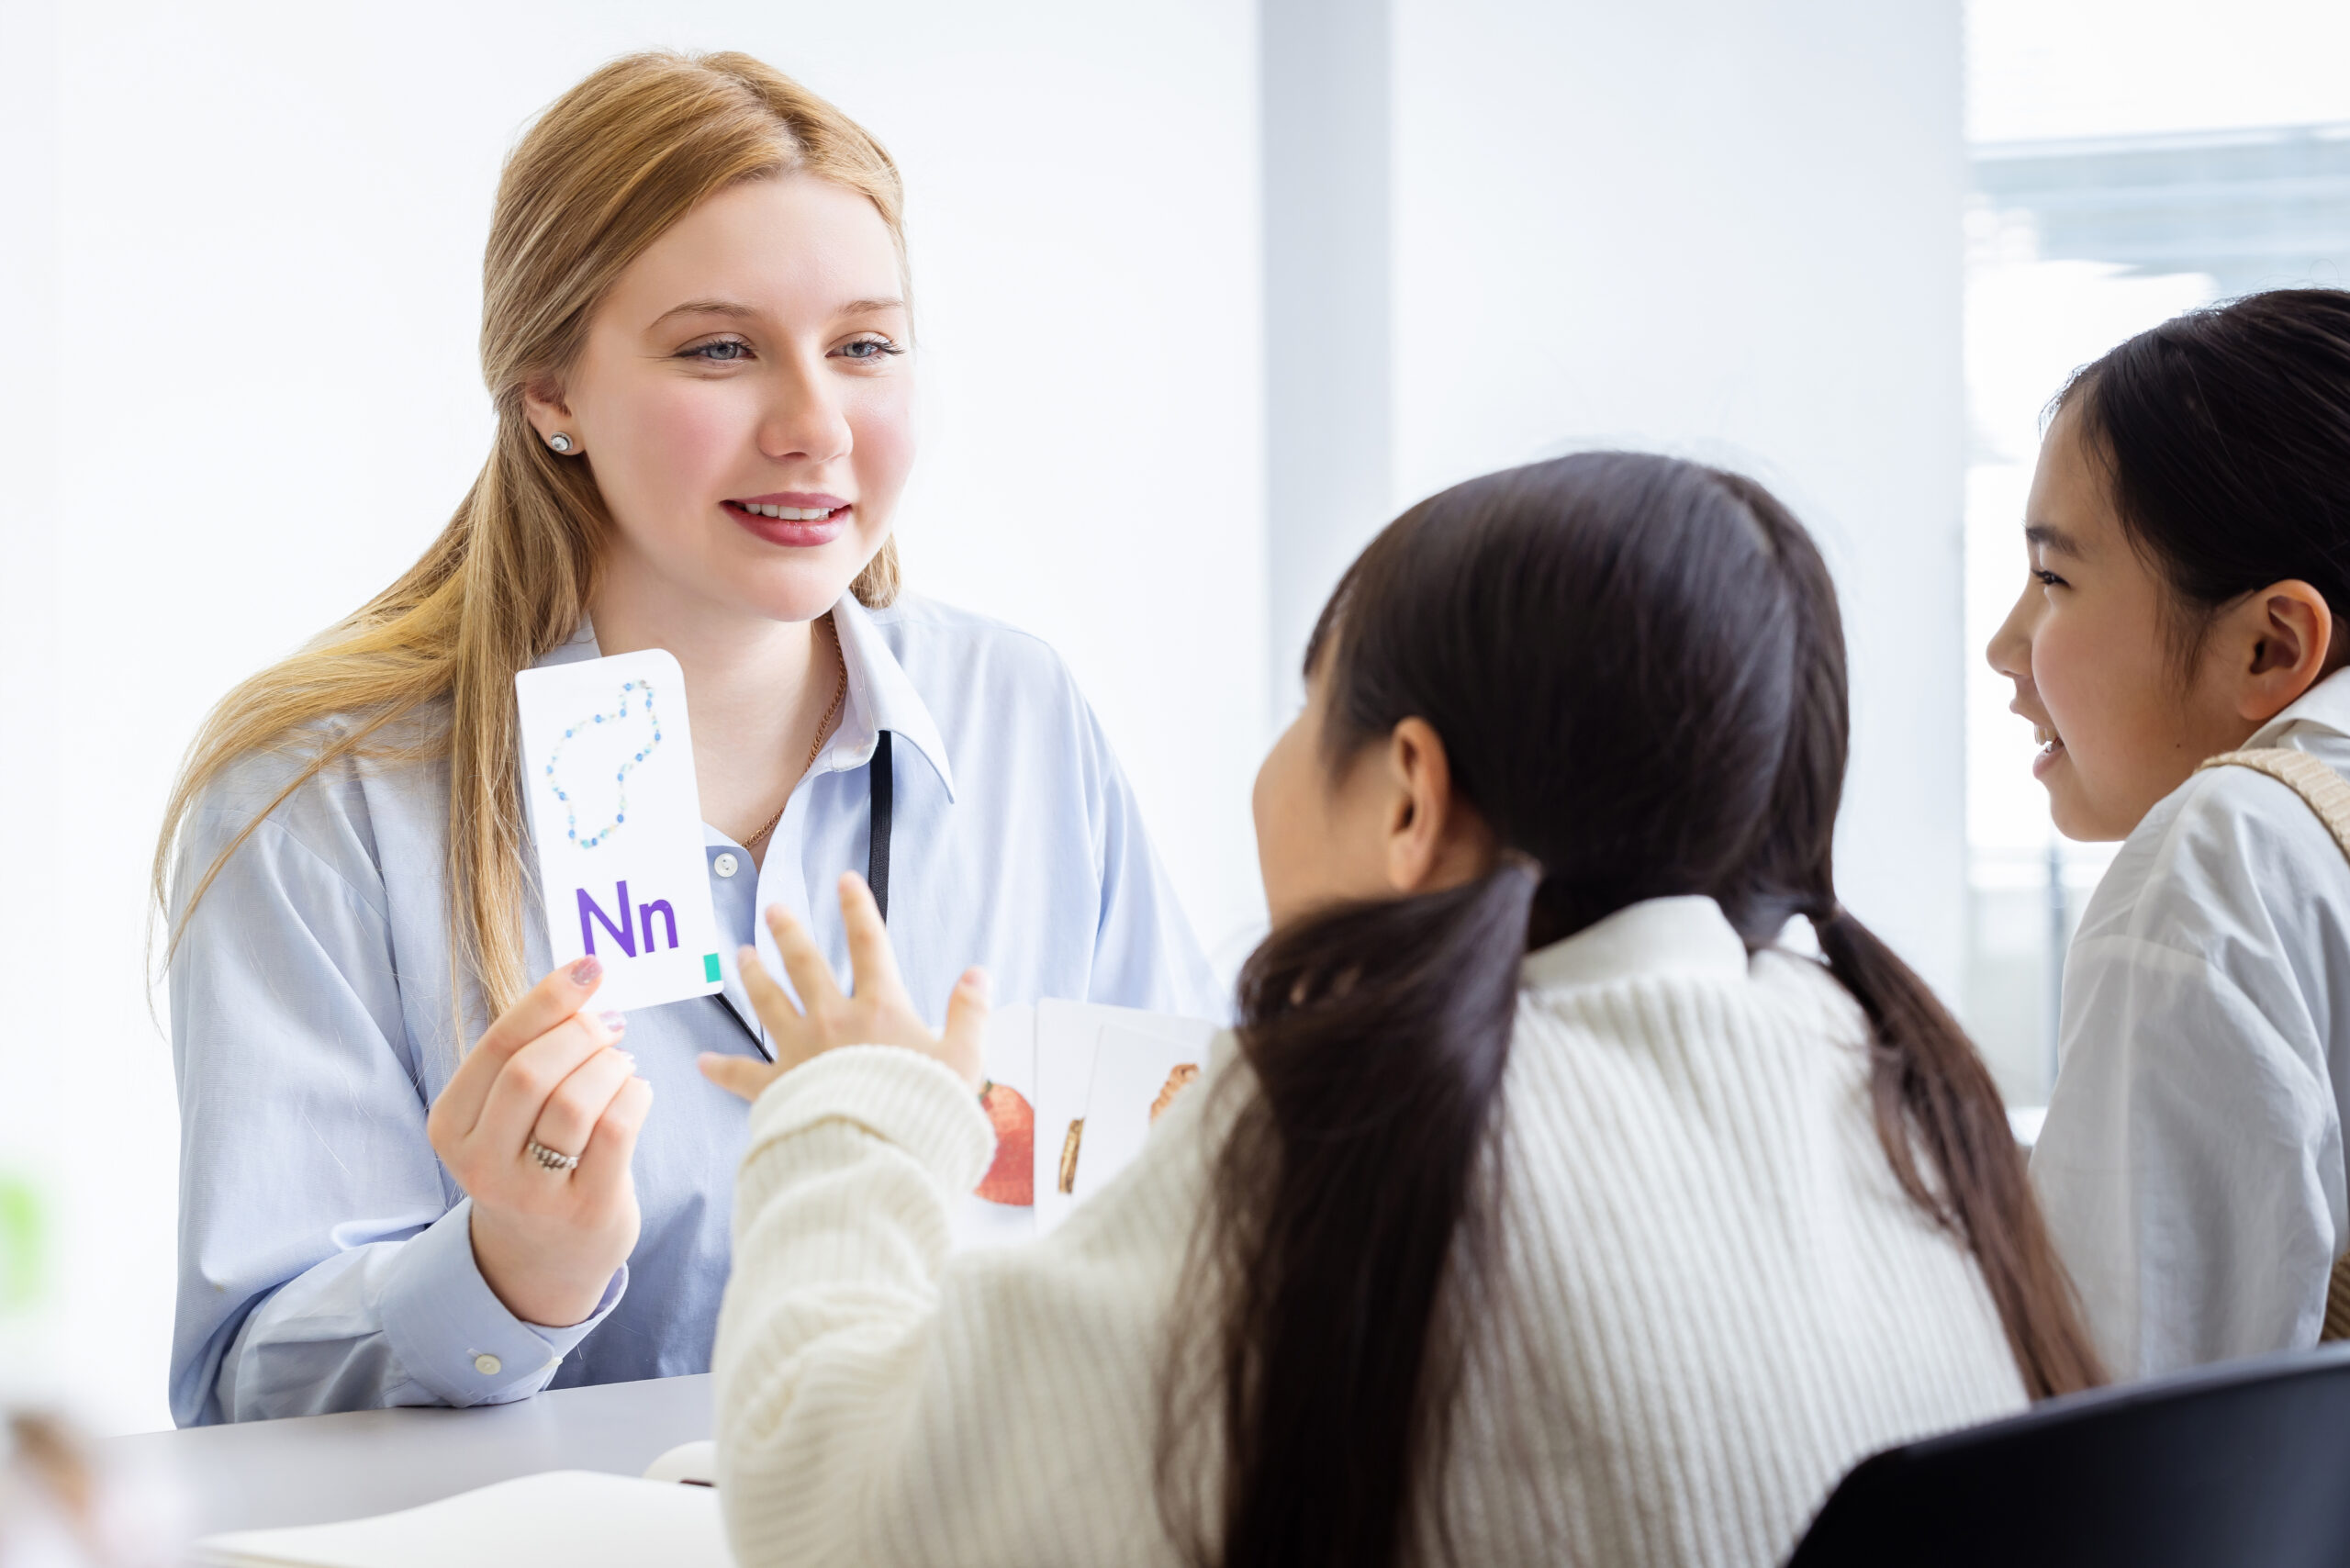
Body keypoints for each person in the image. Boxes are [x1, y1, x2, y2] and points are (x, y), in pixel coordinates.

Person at [703, 453, 2102, 1568]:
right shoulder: (1879, 1065)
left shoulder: (1361, 1134)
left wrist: (859, 1113)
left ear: (1410, 798)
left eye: (1311, 708)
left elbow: (826, 1514)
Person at [156, 50, 1217, 1428]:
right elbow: (248, 1397)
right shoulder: (323, 796)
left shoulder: (1024, 719)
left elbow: (1202, 1216)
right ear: (548, 389)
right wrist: (507, 1275)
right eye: (720, 348)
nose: (814, 426)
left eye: (864, 346)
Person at [1992, 289, 2350, 1378]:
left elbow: (2118, 1431)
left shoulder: (2223, 856)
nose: (2007, 646)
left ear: (2267, 646)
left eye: (2053, 577)